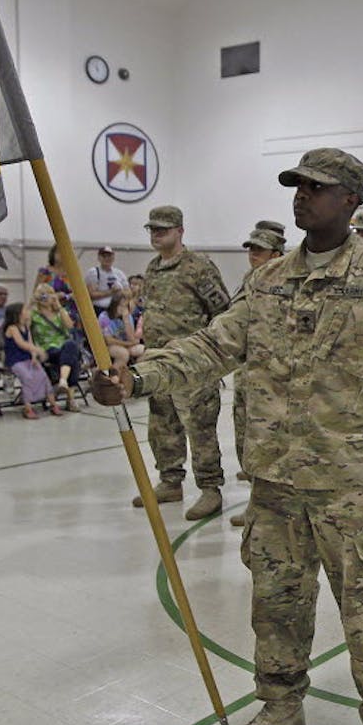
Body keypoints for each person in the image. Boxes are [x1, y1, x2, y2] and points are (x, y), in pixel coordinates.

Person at [92, 148, 363, 725]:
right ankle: (281, 711)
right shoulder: (269, 280)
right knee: (276, 608)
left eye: (316, 190)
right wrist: (136, 378)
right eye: (296, 187)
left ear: (349, 200)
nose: (301, 198)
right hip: (277, 484)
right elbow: (212, 346)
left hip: (355, 487)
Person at [133, 205, 231, 521]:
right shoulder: (152, 269)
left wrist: (212, 358)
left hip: (193, 365)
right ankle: (170, 480)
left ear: (180, 231)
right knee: (162, 423)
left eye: (163, 228)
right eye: (153, 229)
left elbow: (222, 312)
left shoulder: (198, 267)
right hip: (158, 365)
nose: (157, 234)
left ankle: (210, 488)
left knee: (200, 428)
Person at [230, 220, 286, 528]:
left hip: (271, 380)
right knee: (244, 439)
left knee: (271, 446)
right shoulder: (248, 280)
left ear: (276, 254)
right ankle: (255, 503)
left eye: (260, 251)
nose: (253, 256)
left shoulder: (287, 285)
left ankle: (269, 509)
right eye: (251, 250)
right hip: (245, 375)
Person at [3, 302, 63, 418]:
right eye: (25, 310)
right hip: (15, 360)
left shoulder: (26, 327)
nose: (28, 312)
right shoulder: (12, 328)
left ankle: (53, 404)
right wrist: (38, 350)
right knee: (28, 377)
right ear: (18, 314)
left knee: (44, 377)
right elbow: (21, 343)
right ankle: (27, 407)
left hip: (27, 358)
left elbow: (30, 343)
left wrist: (34, 356)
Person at [29, 283, 82, 409]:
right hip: (46, 349)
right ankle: (71, 398)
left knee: (70, 347)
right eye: (42, 295)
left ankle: (63, 381)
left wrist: (59, 306)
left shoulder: (59, 312)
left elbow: (70, 326)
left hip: (64, 347)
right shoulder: (33, 315)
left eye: (47, 294)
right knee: (73, 358)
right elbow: (27, 332)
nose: (45, 298)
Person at [99, 292, 145, 369]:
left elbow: (131, 339)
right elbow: (109, 340)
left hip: (126, 344)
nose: (123, 309)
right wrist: (127, 344)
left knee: (142, 350)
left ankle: (135, 372)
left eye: (125, 306)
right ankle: (114, 374)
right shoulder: (105, 317)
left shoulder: (127, 316)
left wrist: (126, 321)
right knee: (123, 354)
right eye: (121, 306)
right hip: (109, 346)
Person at [84, 246, 129, 313]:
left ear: (113, 258)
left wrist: (120, 292)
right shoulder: (94, 272)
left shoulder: (119, 273)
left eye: (109, 256)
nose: (107, 259)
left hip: (116, 310)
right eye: (104, 256)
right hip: (99, 309)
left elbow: (128, 293)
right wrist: (111, 292)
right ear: (99, 258)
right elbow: (91, 294)